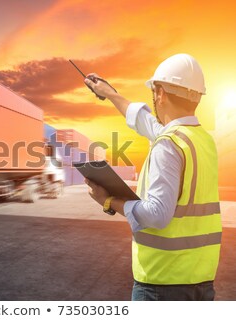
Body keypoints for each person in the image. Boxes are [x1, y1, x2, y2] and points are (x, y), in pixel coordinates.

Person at [83, 54, 221, 301]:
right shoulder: (202, 140)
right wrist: (111, 94)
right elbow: (146, 122)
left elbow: (157, 214)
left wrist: (108, 201)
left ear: (160, 94)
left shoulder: (167, 145)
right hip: (200, 281)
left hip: (162, 284)